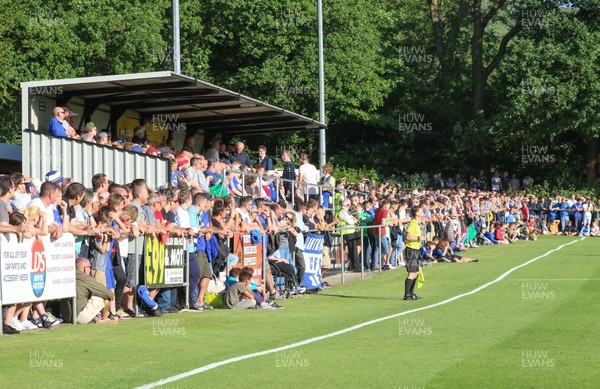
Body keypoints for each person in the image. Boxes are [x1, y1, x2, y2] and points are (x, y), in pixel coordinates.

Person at [60, 258, 115, 324]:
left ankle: (97, 319)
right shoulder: (85, 278)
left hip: (65, 317)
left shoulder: (67, 277)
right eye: (89, 267)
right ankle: (104, 319)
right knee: (104, 298)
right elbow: (109, 294)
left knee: (84, 299)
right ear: (85, 269)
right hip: (79, 317)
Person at [403, 206, 423, 301]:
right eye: (421, 211)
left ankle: (411, 293)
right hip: (411, 250)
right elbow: (408, 236)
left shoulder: (416, 223)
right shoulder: (413, 223)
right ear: (417, 213)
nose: (423, 213)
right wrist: (419, 238)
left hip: (416, 249)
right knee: (411, 273)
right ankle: (407, 295)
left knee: (416, 273)